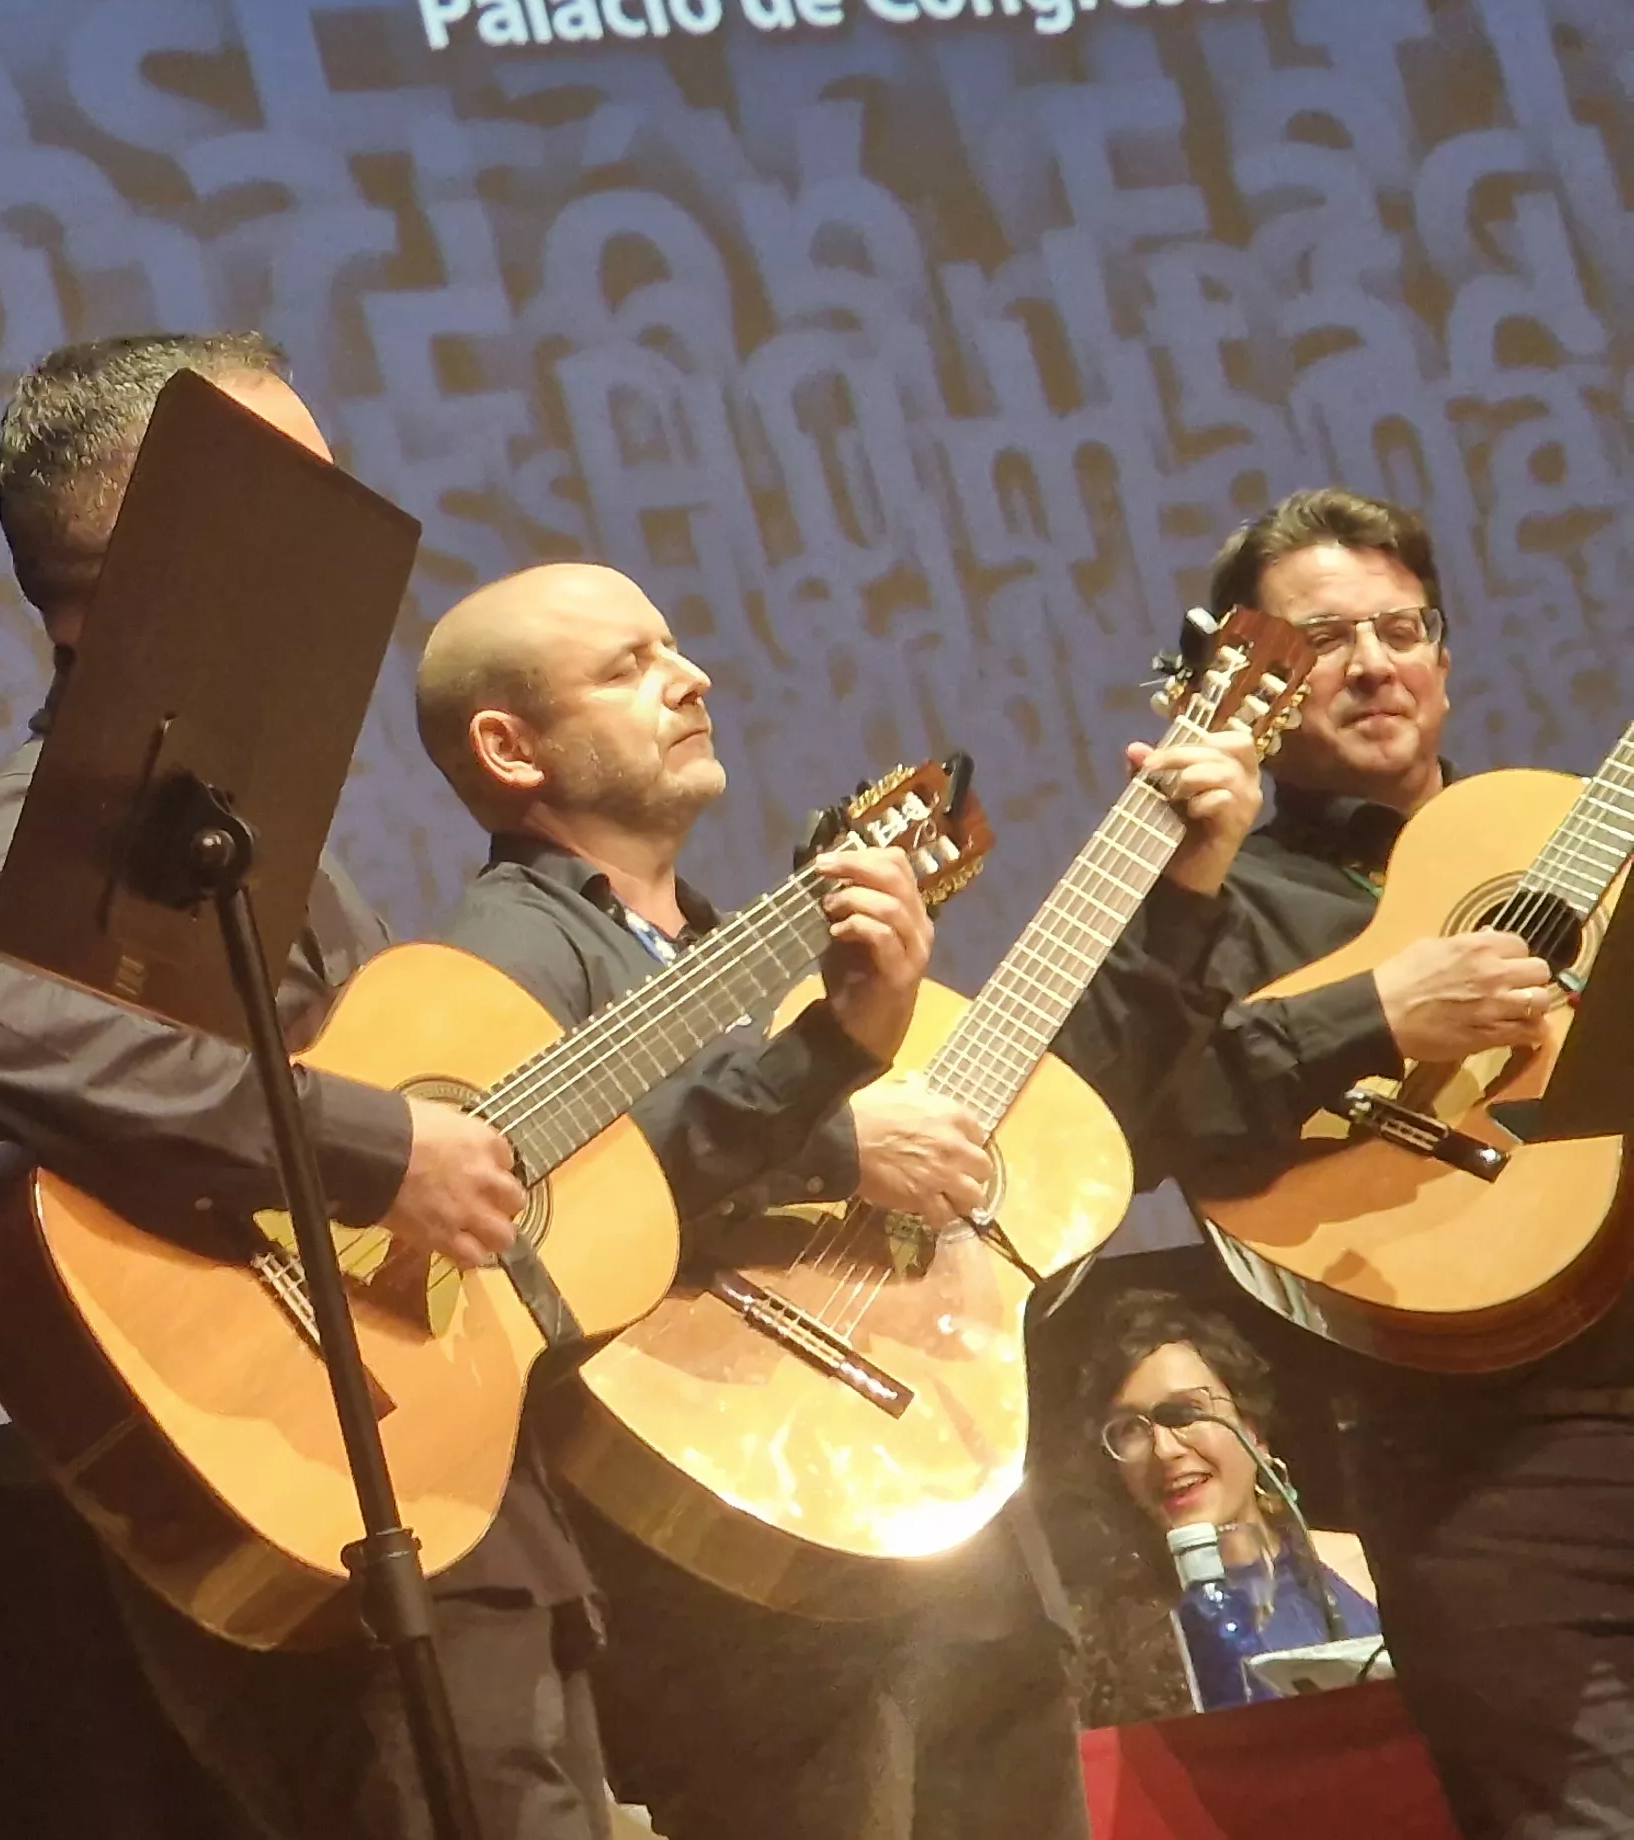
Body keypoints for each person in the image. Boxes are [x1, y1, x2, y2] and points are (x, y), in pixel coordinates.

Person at [0, 332, 550, 1839]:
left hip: (420, 1462)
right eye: (297, 498)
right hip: (306, 1484)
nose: (346, 544)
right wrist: (375, 1146)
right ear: (155, 533)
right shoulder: (74, 803)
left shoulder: (221, 817)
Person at [406, 561, 1113, 1840]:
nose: (691, 678)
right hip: (754, 1594)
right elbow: (542, 1197)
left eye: (673, 646)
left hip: (934, 1542)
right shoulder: (505, 957)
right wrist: (828, 1129)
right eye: (625, 666)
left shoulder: (737, 949)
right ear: (509, 749)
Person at [1082, 487, 1609, 1839]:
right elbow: (1131, 1120)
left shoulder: (1555, 838)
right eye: (1326, 640)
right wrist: (1378, 1014)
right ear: (1242, 683)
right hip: (1481, 1455)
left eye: (1403, 628)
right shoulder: (1211, 901)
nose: (1375, 663)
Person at [1051, 1288, 1381, 1726]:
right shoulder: (1097, 1641)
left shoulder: (1368, 1567)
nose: (1165, 1450)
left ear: (1254, 1430)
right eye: (1130, 1429)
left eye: (1185, 1413)